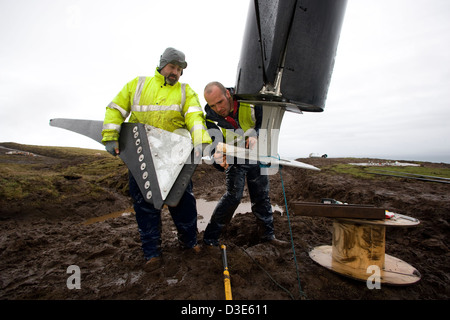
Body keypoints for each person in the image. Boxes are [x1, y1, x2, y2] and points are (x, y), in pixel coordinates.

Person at [101, 47, 212, 271]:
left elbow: (194, 116)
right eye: (172, 67)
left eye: (179, 70)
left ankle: (189, 243)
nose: (176, 73)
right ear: (162, 64)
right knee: (145, 205)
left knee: (183, 203)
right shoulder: (138, 85)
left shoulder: (184, 91)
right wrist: (110, 135)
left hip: (175, 159)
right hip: (143, 156)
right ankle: (152, 252)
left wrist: (201, 140)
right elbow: (116, 109)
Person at [202, 81, 286, 248]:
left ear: (227, 93)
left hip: (256, 153)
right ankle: (210, 238)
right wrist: (217, 157)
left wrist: (255, 134)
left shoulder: (249, 101)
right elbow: (214, 144)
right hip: (235, 157)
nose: (218, 108)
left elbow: (263, 123)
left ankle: (267, 235)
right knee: (233, 197)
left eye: (220, 102)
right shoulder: (211, 117)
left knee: (261, 195)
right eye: (213, 105)